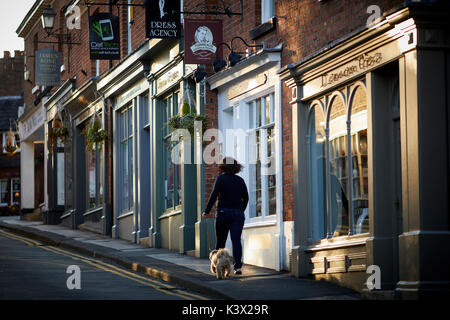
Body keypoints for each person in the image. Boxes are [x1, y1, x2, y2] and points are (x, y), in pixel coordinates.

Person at [202, 157, 249, 275]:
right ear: (236, 167)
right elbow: (246, 198)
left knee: (221, 242)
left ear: (223, 167)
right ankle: (238, 267)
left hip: (223, 213)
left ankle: (219, 267)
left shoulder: (221, 179)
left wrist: (206, 211)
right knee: (236, 240)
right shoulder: (240, 180)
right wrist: (240, 210)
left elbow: (213, 196)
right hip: (237, 214)